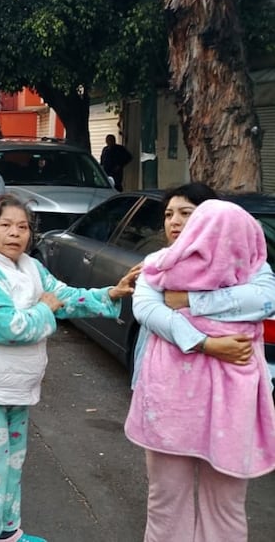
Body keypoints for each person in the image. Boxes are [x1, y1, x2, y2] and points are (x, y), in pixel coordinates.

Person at [0, 194, 137, 542]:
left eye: (23, 227)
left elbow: (61, 296)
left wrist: (111, 294)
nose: (15, 233)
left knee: (12, 463)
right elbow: (6, 327)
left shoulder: (29, 266)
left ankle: (8, 534)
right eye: (5, 225)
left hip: (16, 385)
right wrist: (44, 310)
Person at [125, 184, 275, 542]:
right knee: (166, 499)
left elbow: (265, 299)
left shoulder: (252, 265)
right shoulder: (157, 264)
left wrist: (189, 299)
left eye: (187, 213)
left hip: (231, 406)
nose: (175, 222)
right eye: (168, 214)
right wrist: (208, 344)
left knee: (225, 504)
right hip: (170, 400)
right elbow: (147, 310)